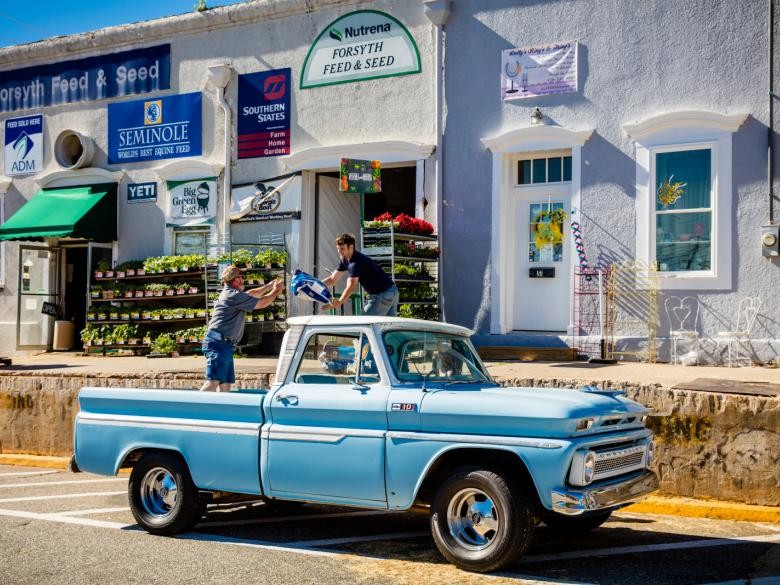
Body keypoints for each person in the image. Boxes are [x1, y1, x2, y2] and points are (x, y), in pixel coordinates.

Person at [200, 265, 284, 392]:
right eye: (241, 277)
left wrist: (267, 287)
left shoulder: (233, 293)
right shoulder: (233, 296)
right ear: (236, 280)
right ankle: (196, 409)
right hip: (218, 344)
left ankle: (220, 411)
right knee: (212, 382)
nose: (243, 279)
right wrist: (276, 291)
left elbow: (250, 294)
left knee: (225, 385)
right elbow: (262, 303)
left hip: (224, 345)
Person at [321, 233, 399, 316]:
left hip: (383, 294)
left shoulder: (356, 262)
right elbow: (333, 279)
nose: (339, 251)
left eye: (342, 249)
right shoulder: (345, 260)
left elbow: (351, 286)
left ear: (351, 247)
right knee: (387, 326)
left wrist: (339, 302)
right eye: (338, 249)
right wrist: (315, 284)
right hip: (391, 291)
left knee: (364, 322)